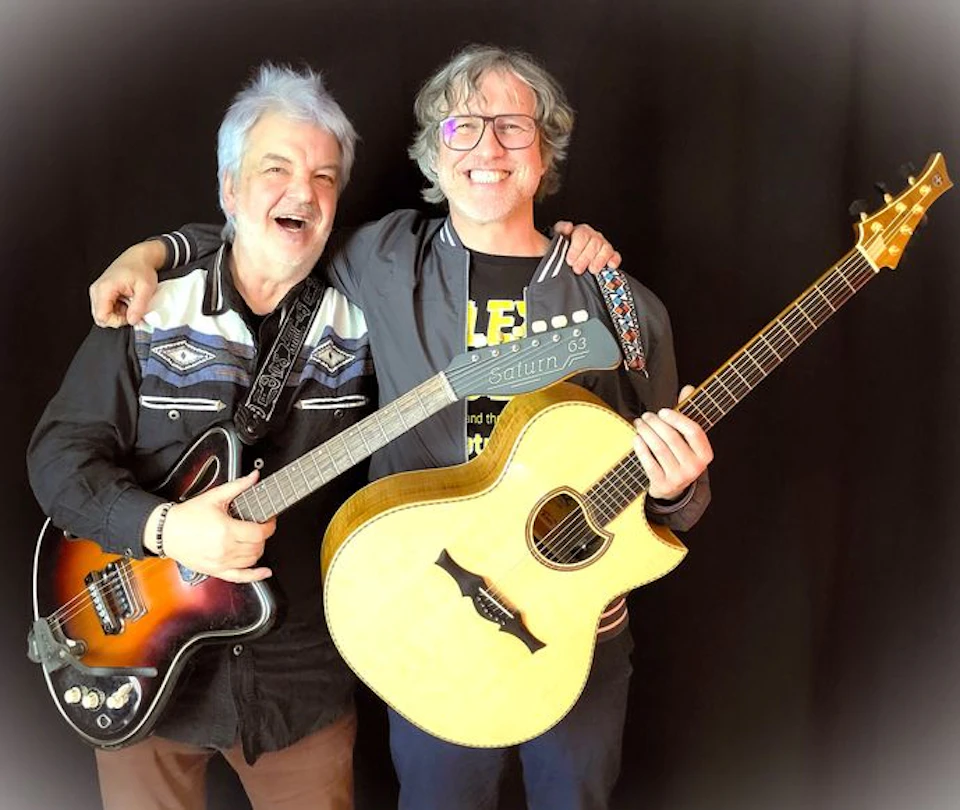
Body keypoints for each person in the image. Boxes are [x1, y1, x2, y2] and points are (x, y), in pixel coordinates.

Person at [87, 45, 713, 810]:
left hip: (577, 633)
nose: (487, 147)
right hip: (428, 619)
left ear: (546, 149)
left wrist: (676, 491)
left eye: (513, 126)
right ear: (434, 153)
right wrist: (152, 252)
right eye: (463, 127)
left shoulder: (621, 304)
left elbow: (672, 497)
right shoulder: (380, 258)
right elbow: (271, 231)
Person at [28, 65, 373, 810]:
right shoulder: (152, 306)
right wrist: (165, 527)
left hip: (300, 683)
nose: (303, 192)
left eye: (324, 176)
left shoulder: (367, 312)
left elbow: (460, 260)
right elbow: (57, 457)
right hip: (141, 669)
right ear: (229, 189)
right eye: (275, 169)